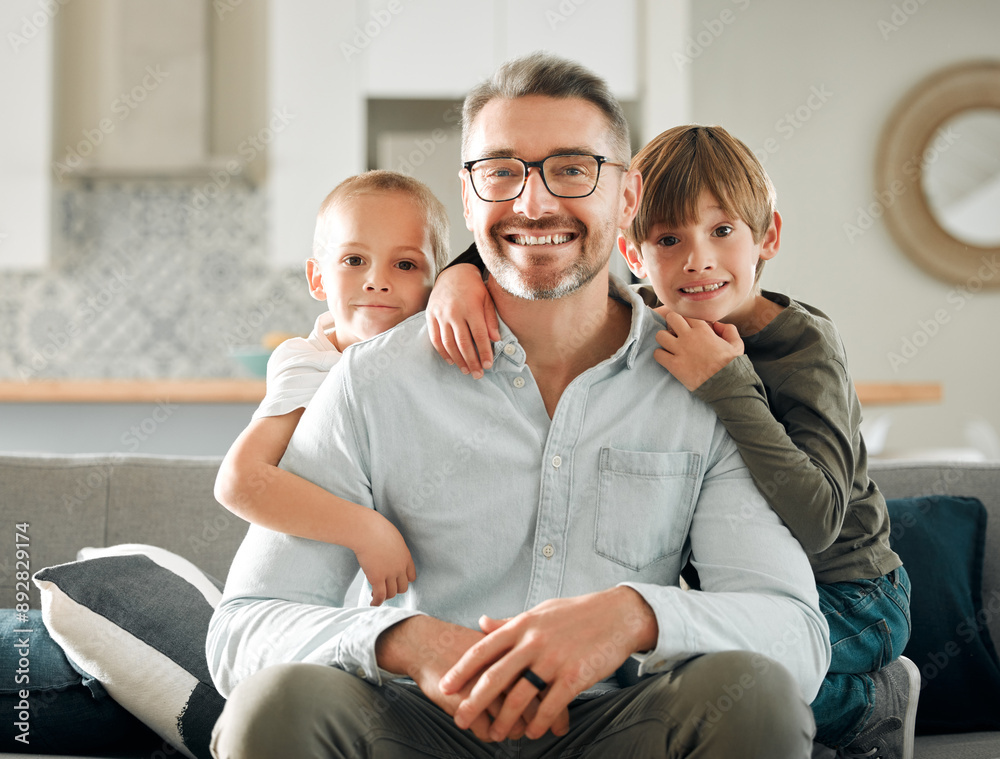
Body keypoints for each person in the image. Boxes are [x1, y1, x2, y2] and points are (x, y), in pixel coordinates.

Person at [207, 54, 829, 759]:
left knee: (755, 694)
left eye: (572, 169)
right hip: (415, 725)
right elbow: (242, 629)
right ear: (470, 202)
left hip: (613, 726)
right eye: (502, 171)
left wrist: (632, 617)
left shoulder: (700, 382)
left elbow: (796, 635)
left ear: (627, 199)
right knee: (277, 703)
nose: (534, 204)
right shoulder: (371, 383)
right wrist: (406, 641)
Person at [431, 124, 918, 759]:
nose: (698, 260)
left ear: (767, 236)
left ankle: (870, 706)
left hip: (855, 593)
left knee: (678, 671)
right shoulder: (643, 319)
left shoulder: (805, 350)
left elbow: (820, 521)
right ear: (633, 255)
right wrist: (457, 279)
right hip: (727, 588)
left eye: (722, 232)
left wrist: (728, 384)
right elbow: (549, 265)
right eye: (668, 239)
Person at [214, 170, 449, 606]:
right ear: (317, 277)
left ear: (438, 285)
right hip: (305, 603)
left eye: (405, 264)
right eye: (354, 260)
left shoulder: (435, 366)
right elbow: (240, 481)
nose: (377, 280)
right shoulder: (313, 364)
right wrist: (367, 530)